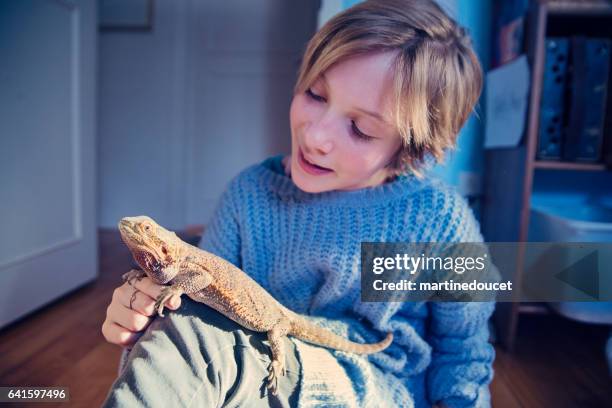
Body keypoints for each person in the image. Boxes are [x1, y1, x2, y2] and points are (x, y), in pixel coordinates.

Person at [101, 0, 495, 406]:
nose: (316, 136)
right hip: (257, 375)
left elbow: (463, 353)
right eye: (315, 93)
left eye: (360, 129)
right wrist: (142, 315)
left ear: (410, 149)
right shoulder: (248, 193)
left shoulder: (439, 219)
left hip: (372, 388)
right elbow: (197, 317)